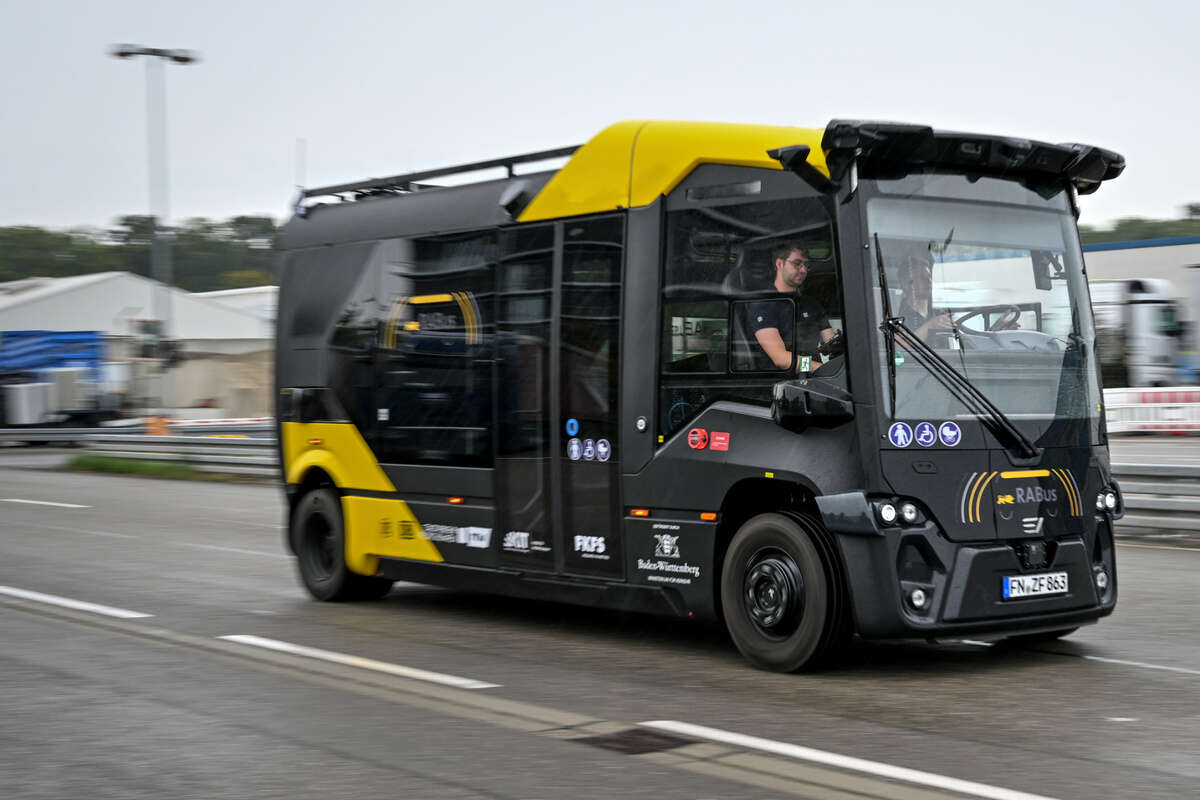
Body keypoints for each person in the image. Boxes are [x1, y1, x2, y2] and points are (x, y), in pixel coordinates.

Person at [745, 242, 835, 370]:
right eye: (797, 264)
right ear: (779, 264)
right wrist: (822, 369)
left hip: (814, 380)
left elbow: (831, 342)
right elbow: (781, 359)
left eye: (806, 265)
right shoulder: (764, 305)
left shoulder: (812, 305)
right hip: (780, 383)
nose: (803, 270)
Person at [894, 251, 954, 341]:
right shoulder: (898, 315)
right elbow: (898, 346)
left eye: (929, 277)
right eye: (922, 277)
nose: (929, 281)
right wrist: (929, 326)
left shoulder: (940, 313)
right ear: (906, 284)